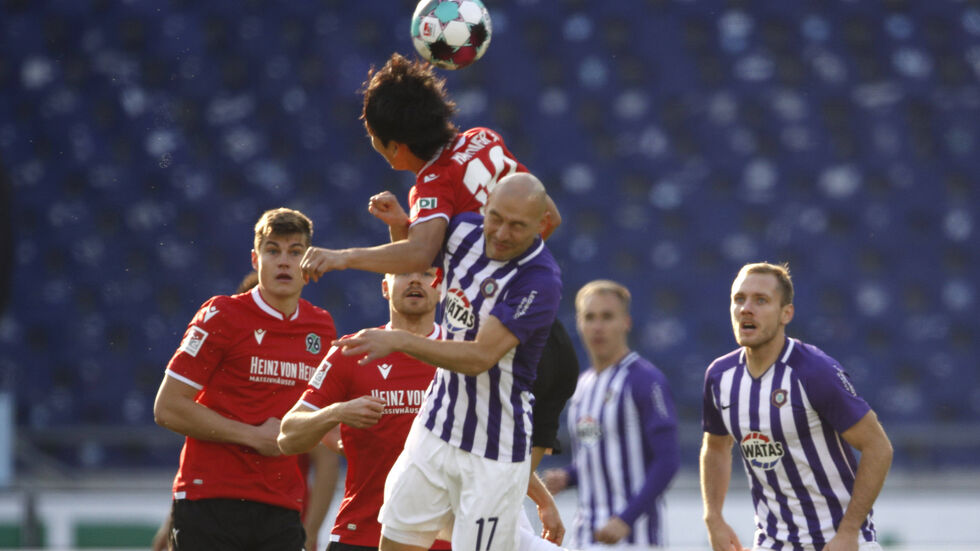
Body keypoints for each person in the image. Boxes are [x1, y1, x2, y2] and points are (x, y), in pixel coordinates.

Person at [334, 174, 561, 551]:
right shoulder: (465, 231)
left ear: (541, 226)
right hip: (437, 429)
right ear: (484, 209)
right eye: (496, 218)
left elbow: (479, 358)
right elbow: (417, 261)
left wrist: (397, 340)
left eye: (518, 226)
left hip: (495, 451)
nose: (502, 233)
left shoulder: (539, 281)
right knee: (394, 542)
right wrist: (401, 228)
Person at [153, 208, 338, 550]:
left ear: (309, 262)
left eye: (295, 252)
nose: (284, 261)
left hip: (283, 505)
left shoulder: (321, 327)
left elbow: (323, 436)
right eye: (273, 250)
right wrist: (253, 436)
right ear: (256, 259)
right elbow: (168, 408)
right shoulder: (222, 314)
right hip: (210, 498)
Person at [299, 52, 560, 278]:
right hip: (536, 301)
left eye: (372, 134)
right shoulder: (484, 138)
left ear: (395, 147)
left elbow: (419, 255)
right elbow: (550, 218)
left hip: (499, 322)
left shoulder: (434, 183)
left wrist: (342, 257)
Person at [700, 262, 893, 551]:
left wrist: (849, 530)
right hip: (772, 543)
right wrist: (713, 517)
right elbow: (715, 447)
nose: (746, 309)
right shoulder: (719, 376)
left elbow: (878, 447)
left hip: (839, 543)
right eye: (739, 299)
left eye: (761, 300)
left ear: (785, 314)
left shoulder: (814, 371)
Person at [278, 268, 453, 551]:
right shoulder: (352, 350)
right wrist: (336, 413)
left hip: (445, 542)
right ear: (385, 287)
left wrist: (542, 500)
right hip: (361, 536)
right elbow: (287, 435)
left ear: (441, 287)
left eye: (425, 272)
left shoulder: (464, 352)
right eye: (403, 272)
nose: (415, 280)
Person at [543, 280, 680, 549]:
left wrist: (626, 519)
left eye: (607, 317)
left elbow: (668, 460)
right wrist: (569, 476)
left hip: (634, 538)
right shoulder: (583, 386)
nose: (597, 326)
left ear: (626, 322)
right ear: (579, 324)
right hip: (586, 535)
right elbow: (596, 454)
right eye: (589, 317)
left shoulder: (645, 380)